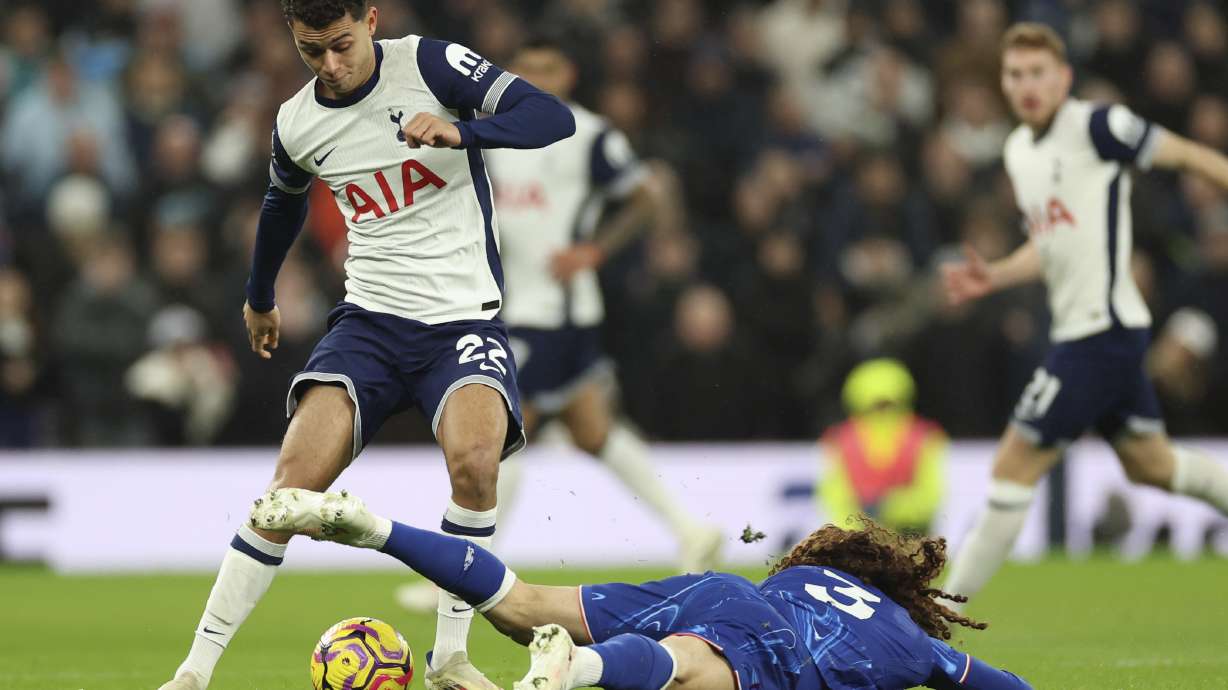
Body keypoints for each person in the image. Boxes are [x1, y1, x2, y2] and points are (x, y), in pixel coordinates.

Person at [158, 2, 575, 688]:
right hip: (371, 327)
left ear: (371, 19)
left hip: (464, 322)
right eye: (312, 49)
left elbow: (549, 116)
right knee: (289, 491)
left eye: (342, 45)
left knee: (475, 466)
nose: (331, 65)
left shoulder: (432, 65)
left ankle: (449, 656)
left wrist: (463, 131)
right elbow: (281, 202)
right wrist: (259, 295)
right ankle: (194, 673)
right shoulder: (298, 121)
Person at [941, 23, 1228, 608]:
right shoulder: (1019, 151)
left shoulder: (1100, 126)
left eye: (1038, 73)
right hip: (1092, 333)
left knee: (1014, 460)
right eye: (1015, 74)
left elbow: (1191, 154)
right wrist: (995, 274)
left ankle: (941, 613)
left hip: (1103, 332)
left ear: (1063, 77)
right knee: (1153, 466)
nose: (1027, 85)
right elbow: (1051, 246)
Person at [251, 487, 1032, 690]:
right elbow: (999, 684)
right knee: (690, 667)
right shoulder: (910, 643)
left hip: (724, 589)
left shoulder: (810, 571)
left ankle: (375, 528)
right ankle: (581, 670)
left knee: (523, 605)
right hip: (775, 646)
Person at [479, 36, 719, 569]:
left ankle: (470, 564)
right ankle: (693, 529)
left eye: (549, 68)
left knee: (500, 427)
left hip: (554, 310)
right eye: (527, 67)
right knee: (592, 430)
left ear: (568, 75)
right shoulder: (494, 132)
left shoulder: (589, 134)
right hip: (517, 304)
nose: (538, 77)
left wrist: (595, 250)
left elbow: (645, 196)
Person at [819, 358, 946, 535]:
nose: (882, 411)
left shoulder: (924, 437)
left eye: (887, 404)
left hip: (910, 532)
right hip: (858, 536)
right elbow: (834, 493)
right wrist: (853, 528)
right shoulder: (839, 439)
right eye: (877, 405)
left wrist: (889, 509)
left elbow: (931, 492)